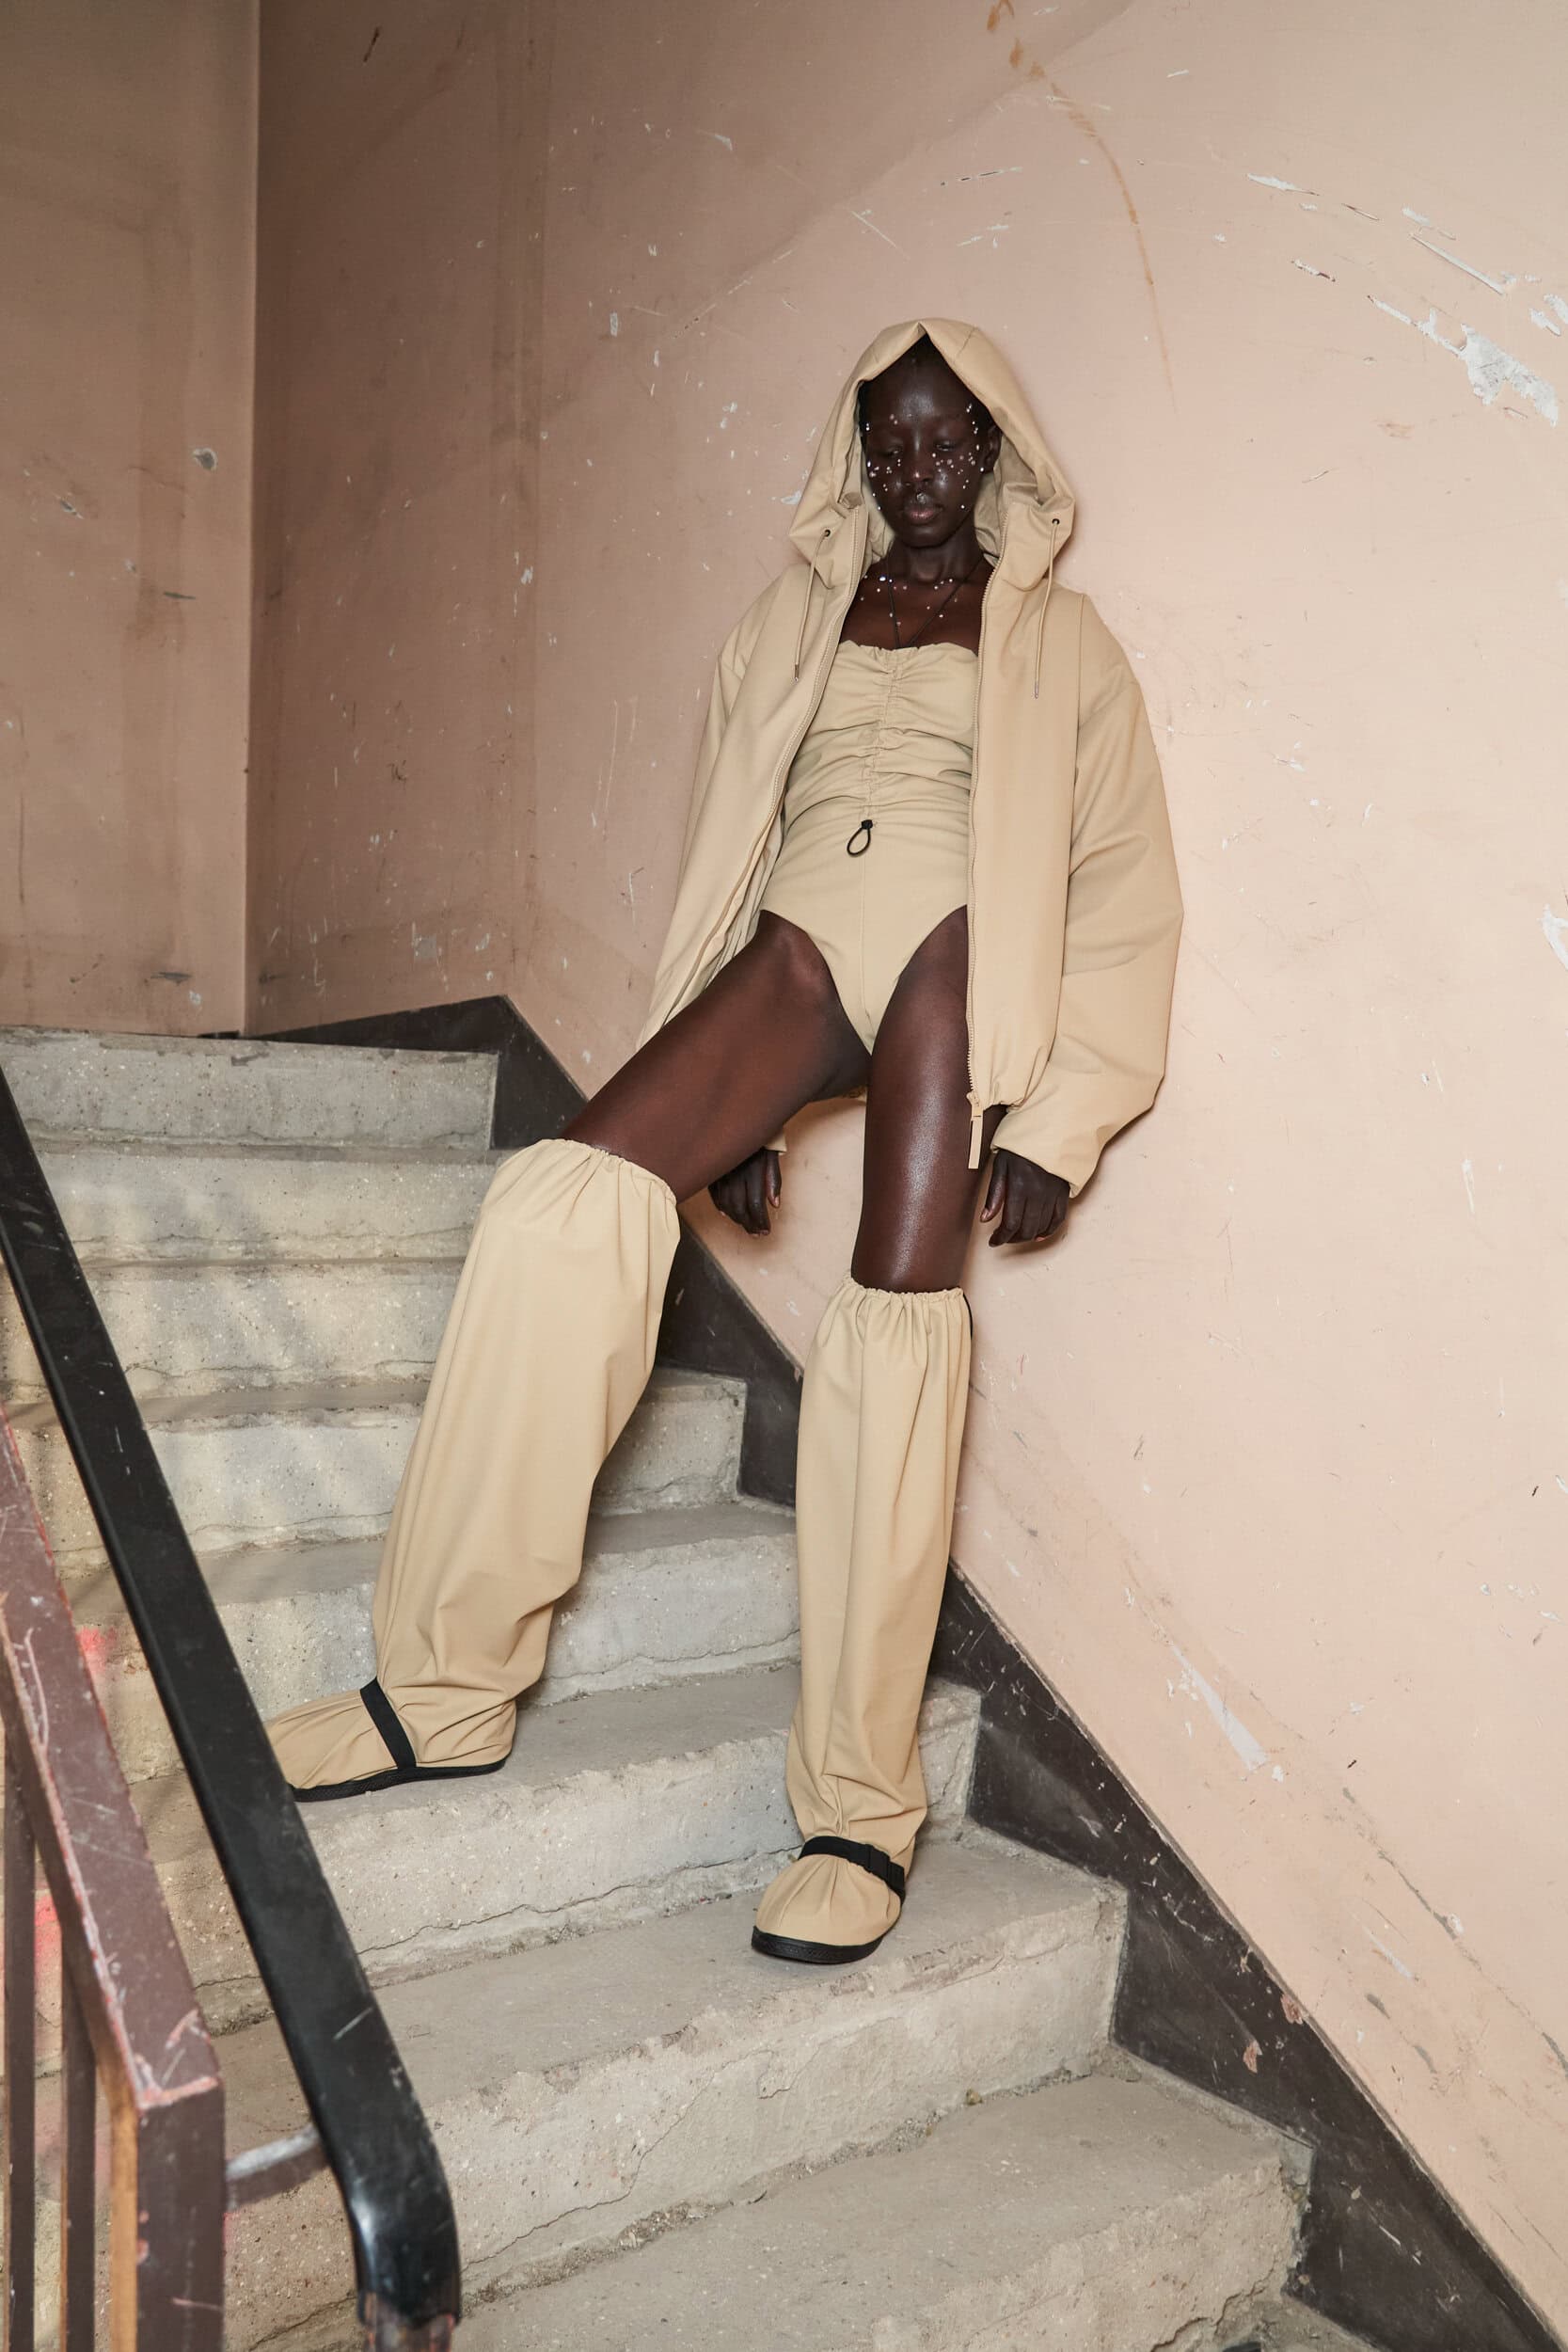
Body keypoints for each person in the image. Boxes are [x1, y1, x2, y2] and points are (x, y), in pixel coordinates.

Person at [267, 318, 1181, 1968]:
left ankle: (858, 1808)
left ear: (993, 452)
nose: (918, 469)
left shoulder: (1062, 640)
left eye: (947, 441)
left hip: (958, 956)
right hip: (802, 942)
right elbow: (726, 837)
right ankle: (444, 1686)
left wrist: (1065, 1115)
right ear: (860, 454)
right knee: (562, 1202)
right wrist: (733, 1085)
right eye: (891, 442)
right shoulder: (792, 617)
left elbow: (1119, 883)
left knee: (893, 1331)